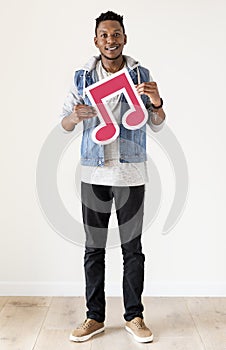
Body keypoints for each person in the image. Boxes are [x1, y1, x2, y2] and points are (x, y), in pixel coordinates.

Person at [60, 11, 166, 343]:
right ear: (96, 40)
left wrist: (156, 100)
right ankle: (95, 318)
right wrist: (75, 117)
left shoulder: (141, 75)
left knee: (132, 249)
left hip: (131, 173)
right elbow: (63, 123)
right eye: (104, 35)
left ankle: (134, 316)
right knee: (94, 249)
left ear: (124, 37)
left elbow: (158, 121)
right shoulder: (82, 78)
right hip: (93, 173)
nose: (111, 40)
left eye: (116, 33)